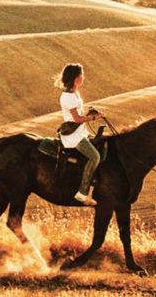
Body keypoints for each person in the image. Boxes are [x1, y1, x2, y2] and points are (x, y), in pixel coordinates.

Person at [54, 63, 104, 206]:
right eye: (81, 74)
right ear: (76, 78)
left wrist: (89, 113)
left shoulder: (74, 92)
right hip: (74, 137)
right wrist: (94, 117)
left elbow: (79, 114)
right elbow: (76, 119)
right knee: (95, 157)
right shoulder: (68, 97)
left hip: (81, 131)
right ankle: (82, 193)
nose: (83, 77)